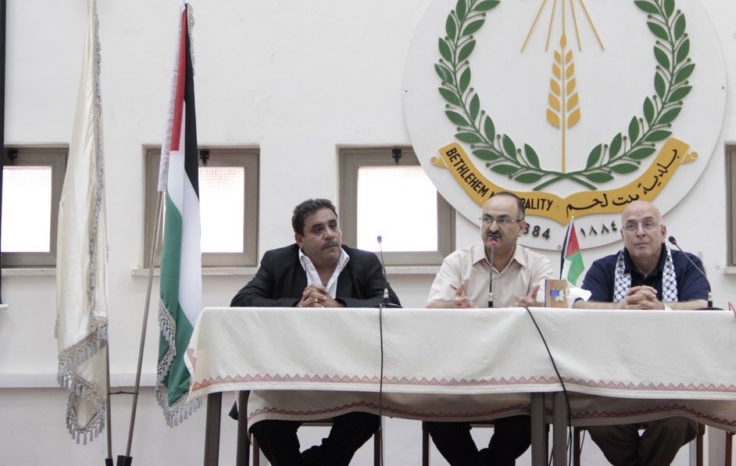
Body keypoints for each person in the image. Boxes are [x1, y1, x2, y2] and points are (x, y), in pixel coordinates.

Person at [230, 198, 400, 466]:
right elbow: (241, 302)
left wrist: (340, 306)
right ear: (300, 239)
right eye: (318, 229)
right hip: (287, 378)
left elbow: (392, 307)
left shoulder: (364, 262)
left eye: (333, 225)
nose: (330, 234)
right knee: (267, 425)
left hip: (347, 378)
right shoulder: (277, 261)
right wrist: (297, 306)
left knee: (366, 418)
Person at [574, 200, 709, 466]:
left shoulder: (687, 264)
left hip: (673, 382)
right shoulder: (604, 267)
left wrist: (661, 308)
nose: (640, 232)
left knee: (680, 421)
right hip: (615, 381)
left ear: (662, 231)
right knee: (599, 421)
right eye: (631, 226)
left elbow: (701, 305)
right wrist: (619, 307)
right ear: (622, 234)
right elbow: (580, 306)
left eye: (648, 224)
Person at [424, 191, 555, 466]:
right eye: (487, 219)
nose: (493, 227)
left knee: (528, 423)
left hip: (517, 377)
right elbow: (433, 307)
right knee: (438, 418)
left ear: (522, 227)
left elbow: (554, 308)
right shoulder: (457, 261)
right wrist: (453, 307)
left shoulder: (538, 265)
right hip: (463, 373)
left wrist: (538, 308)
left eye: (503, 220)